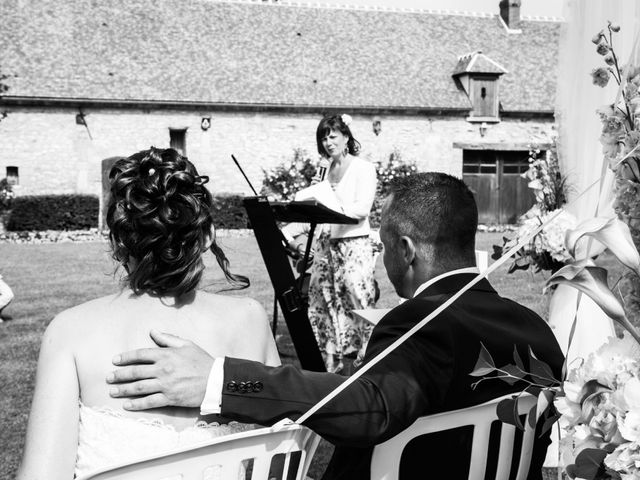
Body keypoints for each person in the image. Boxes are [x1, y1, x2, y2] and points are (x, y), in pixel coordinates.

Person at [108, 172, 565, 480]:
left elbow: (372, 406)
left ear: (406, 250)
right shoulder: (536, 329)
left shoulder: (423, 324)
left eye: (382, 245)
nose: (380, 259)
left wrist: (218, 379)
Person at [17, 148, 280, 480]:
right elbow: (281, 455)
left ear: (117, 243)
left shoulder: (69, 332)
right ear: (208, 235)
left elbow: (41, 475)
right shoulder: (250, 320)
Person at [283, 113, 378, 372]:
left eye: (333, 136)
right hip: (326, 246)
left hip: (352, 244)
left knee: (357, 299)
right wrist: (315, 192)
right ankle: (329, 362)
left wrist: (331, 202)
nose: (328, 142)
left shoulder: (363, 168)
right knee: (321, 301)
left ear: (346, 137)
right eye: (323, 137)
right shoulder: (323, 174)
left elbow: (362, 209)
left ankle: (364, 357)